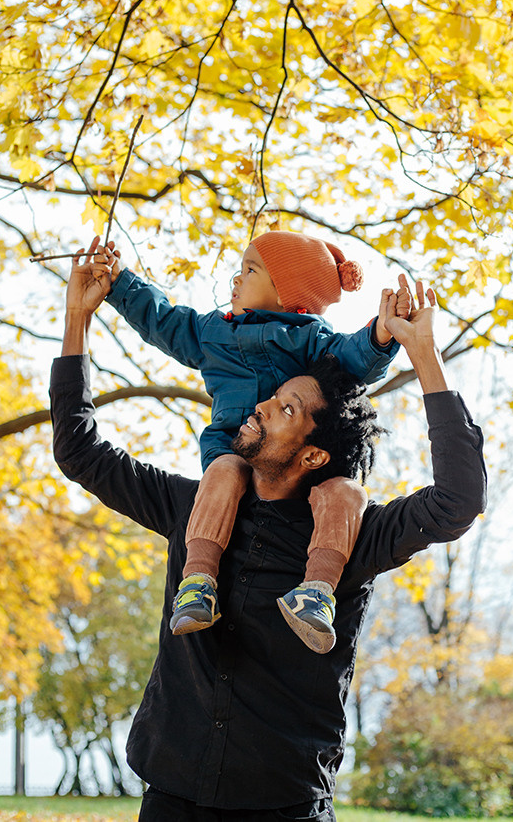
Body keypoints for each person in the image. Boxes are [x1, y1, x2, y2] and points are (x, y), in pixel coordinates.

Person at [51, 245, 486, 821]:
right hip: (173, 795)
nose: (259, 405)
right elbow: (80, 451)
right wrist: (79, 319)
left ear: (312, 453)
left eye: (285, 407)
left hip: (285, 804)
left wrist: (422, 353)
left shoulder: (351, 534)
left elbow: (458, 501)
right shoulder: (194, 505)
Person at [92, 231, 412, 653]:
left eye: (250, 270)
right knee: (224, 472)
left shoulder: (311, 340)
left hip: (294, 466)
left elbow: (355, 356)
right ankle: (198, 582)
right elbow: (163, 320)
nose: (235, 280)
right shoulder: (212, 332)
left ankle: (316, 592)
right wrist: (119, 281)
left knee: (347, 491)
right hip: (234, 447)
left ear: (287, 294)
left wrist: (381, 337)